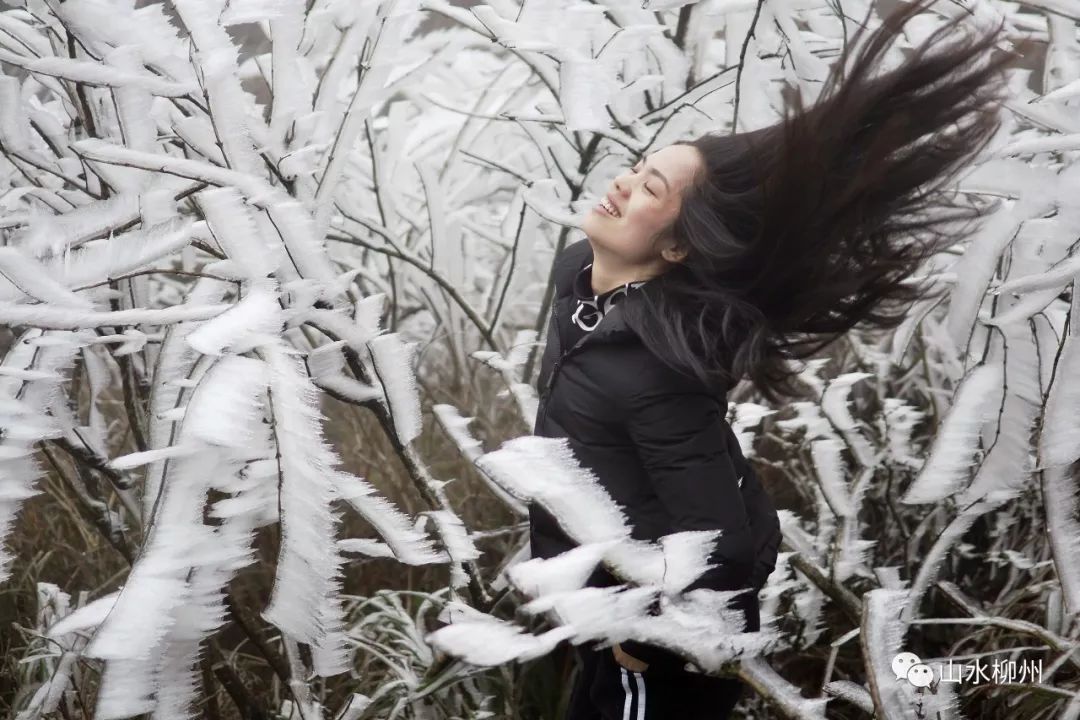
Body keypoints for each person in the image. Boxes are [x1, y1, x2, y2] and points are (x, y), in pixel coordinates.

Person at [528, 0, 1015, 718]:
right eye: (638, 169)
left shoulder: (659, 371)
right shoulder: (579, 276)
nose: (623, 183)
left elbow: (720, 541)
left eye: (650, 189)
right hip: (602, 612)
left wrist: (659, 644)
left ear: (676, 248)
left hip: (656, 646)